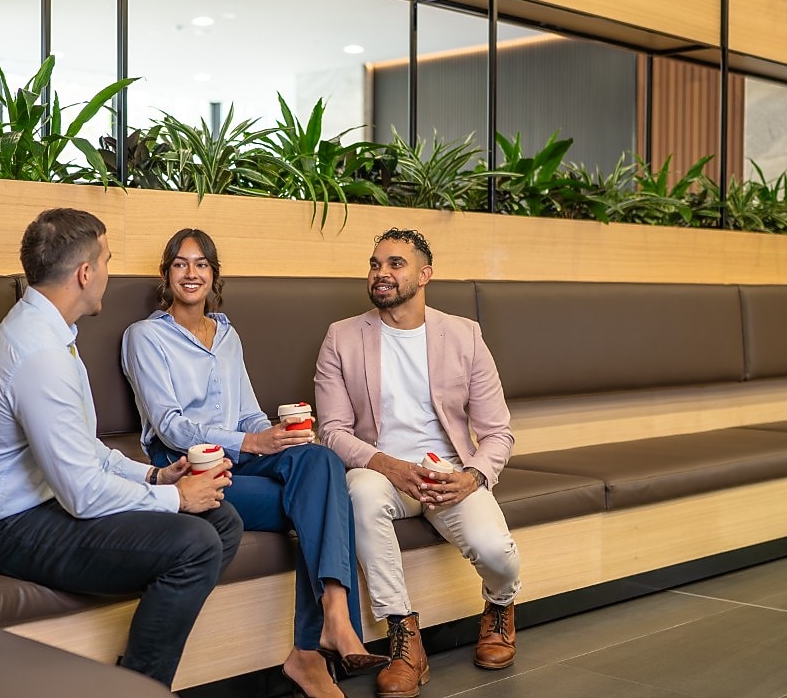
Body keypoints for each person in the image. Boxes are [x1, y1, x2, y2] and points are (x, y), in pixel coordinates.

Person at [0, 209, 243, 689]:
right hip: (3, 525)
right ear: (85, 273)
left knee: (221, 521)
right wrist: (177, 499)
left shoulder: (53, 334)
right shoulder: (39, 353)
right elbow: (83, 495)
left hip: (46, 504)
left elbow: (84, 448)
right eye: (107, 261)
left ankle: (131, 663)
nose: (109, 273)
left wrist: (154, 478)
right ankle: (137, 685)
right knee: (193, 543)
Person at [121, 228, 390, 698]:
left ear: (213, 275)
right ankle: (313, 651)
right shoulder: (144, 337)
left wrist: (278, 436)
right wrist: (252, 440)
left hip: (245, 455)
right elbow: (170, 426)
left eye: (201, 263)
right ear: (166, 274)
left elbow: (248, 412)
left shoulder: (226, 333)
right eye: (181, 263)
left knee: (321, 461)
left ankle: (332, 622)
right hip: (193, 468)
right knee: (324, 501)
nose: (191, 272)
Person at [313, 227, 521, 698]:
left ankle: (499, 605)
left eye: (395, 264)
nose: (381, 273)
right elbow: (333, 432)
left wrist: (470, 478)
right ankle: (404, 637)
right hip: (383, 472)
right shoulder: (342, 337)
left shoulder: (464, 335)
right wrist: (389, 467)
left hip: (449, 472)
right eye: (375, 264)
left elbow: (497, 432)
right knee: (360, 492)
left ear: (425, 274)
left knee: (498, 554)